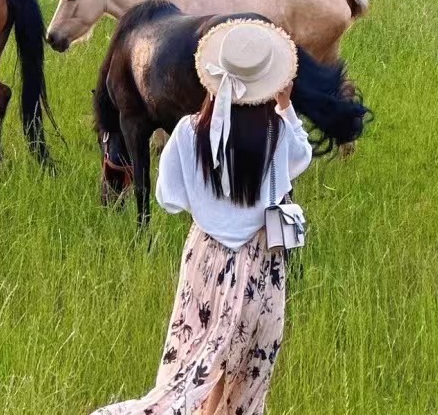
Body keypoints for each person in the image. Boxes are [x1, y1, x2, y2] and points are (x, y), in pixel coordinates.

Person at [92, 21, 310, 415]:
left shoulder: (189, 133)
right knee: (247, 375)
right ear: (270, 83)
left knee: (190, 362)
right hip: (263, 264)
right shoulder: (278, 133)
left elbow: (168, 197)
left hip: (206, 260)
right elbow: (302, 157)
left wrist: (211, 205)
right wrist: (286, 106)